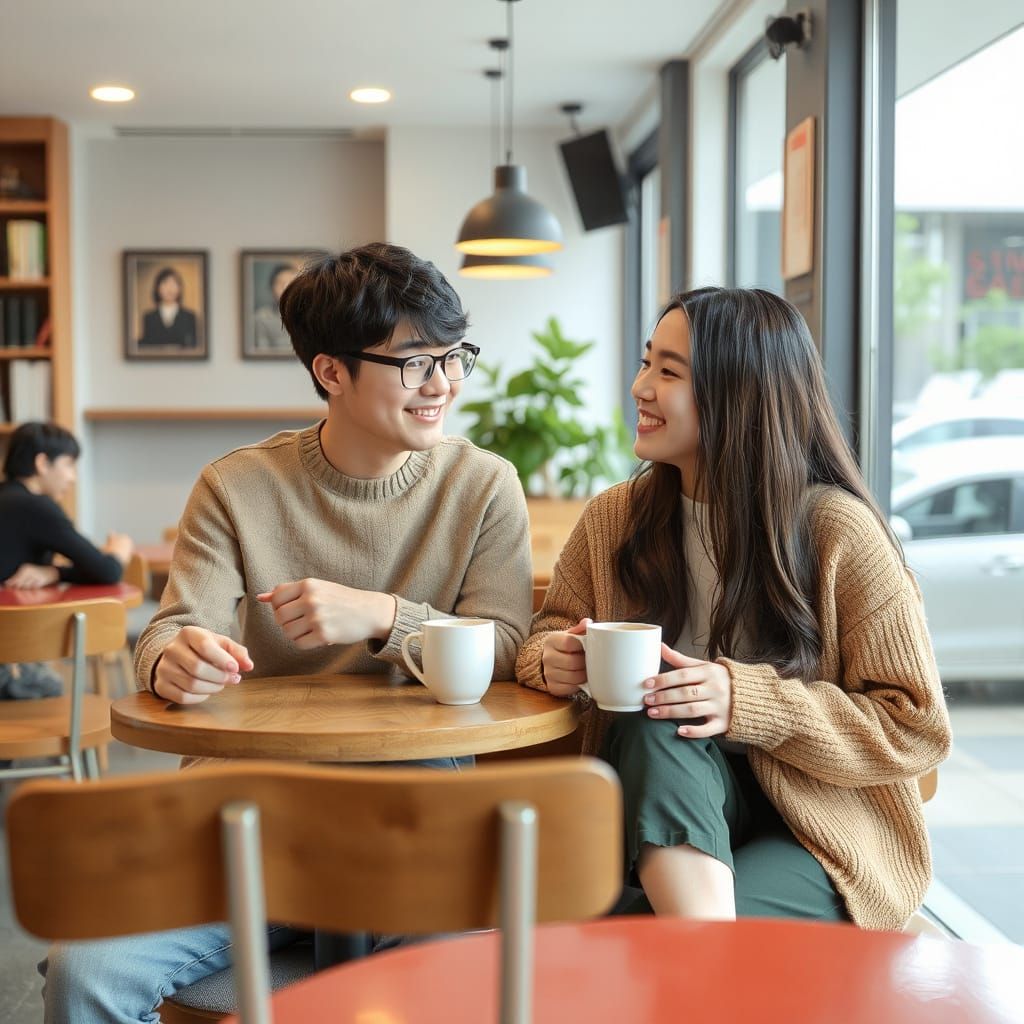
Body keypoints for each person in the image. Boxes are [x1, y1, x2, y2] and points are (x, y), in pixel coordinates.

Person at [41, 242, 534, 1023]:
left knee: (457, 991)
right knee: (84, 972)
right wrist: (173, 660)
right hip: (246, 817)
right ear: (331, 372)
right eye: (415, 363)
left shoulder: (483, 485)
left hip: (416, 820)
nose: (443, 383)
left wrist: (383, 615)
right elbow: (172, 629)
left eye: (453, 356)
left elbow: (506, 644)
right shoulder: (237, 485)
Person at [517, 287, 951, 930]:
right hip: (664, 801)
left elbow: (916, 726)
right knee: (657, 714)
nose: (640, 387)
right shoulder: (615, 520)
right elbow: (548, 631)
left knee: (641, 934)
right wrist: (550, 658)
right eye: (646, 362)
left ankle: (681, 945)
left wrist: (746, 701)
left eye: (669, 372)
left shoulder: (839, 534)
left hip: (821, 828)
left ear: (738, 394)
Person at [0, 421, 133, 700]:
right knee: (53, 686)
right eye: (69, 464)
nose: (73, 478)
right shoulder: (36, 507)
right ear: (42, 463)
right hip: (6, 665)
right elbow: (107, 571)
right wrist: (120, 549)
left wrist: (52, 572)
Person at [137, 267, 199, 349]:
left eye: (174, 283)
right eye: (165, 283)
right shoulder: (149, 317)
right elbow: (145, 346)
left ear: (180, 288)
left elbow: (194, 346)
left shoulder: (189, 316)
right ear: (157, 288)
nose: (170, 288)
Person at [252, 261, 299, 353]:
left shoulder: (309, 316)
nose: (285, 287)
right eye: (280, 283)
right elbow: (261, 354)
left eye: (290, 283)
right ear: (271, 287)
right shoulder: (260, 318)